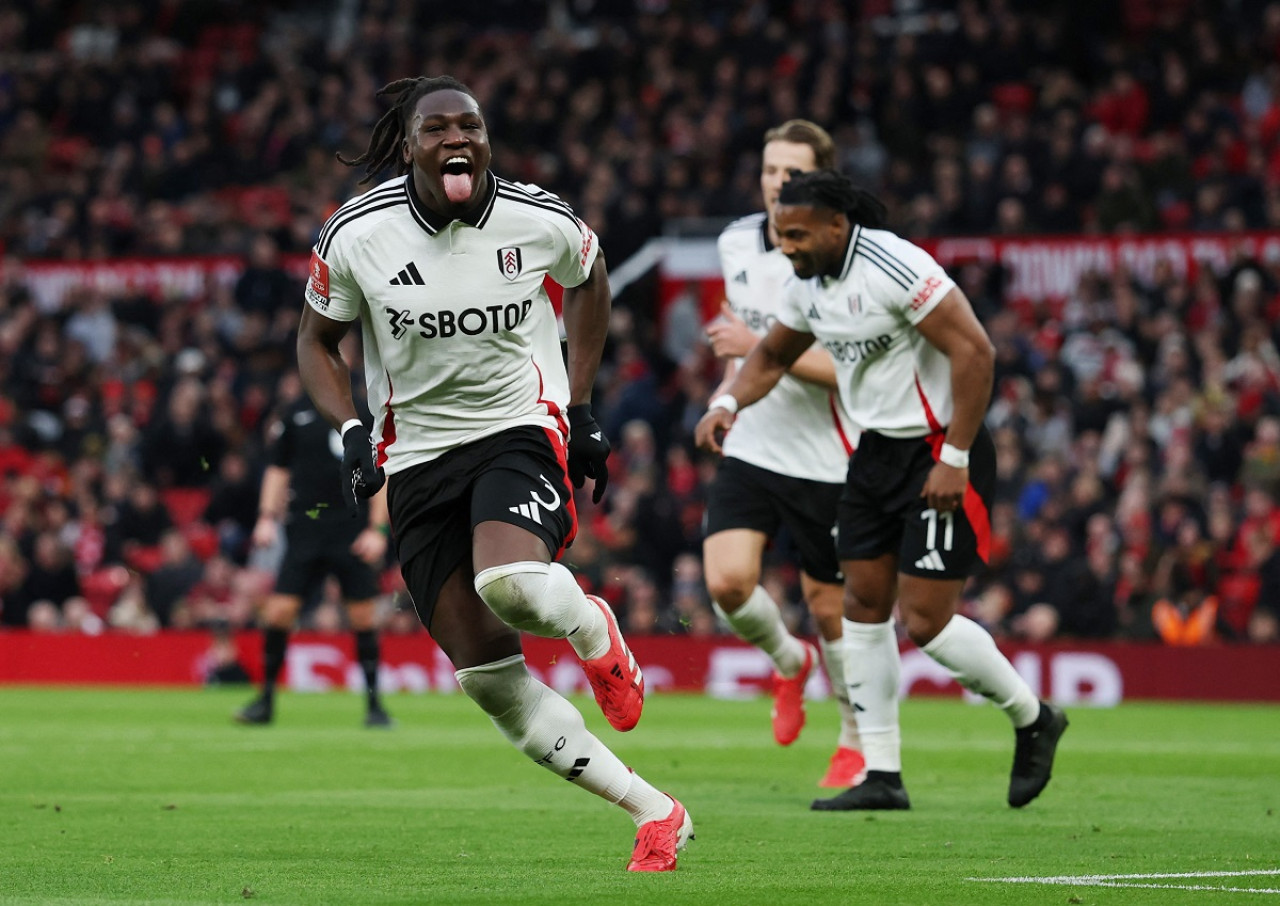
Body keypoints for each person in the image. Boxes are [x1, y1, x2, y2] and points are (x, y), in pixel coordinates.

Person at [294, 75, 691, 872]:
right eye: (437, 129)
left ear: (486, 139)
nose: (458, 140)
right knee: (490, 685)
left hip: (518, 427)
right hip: (413, 457)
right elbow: (315, 340)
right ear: (409, 147)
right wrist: (349, 432)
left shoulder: (538, 217)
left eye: (470, 126)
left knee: (508, 582)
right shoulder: (357, 234)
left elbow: (591, 280)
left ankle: (594, 630)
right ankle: (658, 813)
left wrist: (578, 408)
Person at [696, 169, 1068, 811]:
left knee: (925, 621)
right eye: (781, 235)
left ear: (838, 226)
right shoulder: (808, 284)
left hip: (940, 449)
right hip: (874, 454)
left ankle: (1033, 717)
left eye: (798, 234)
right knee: (861, 607)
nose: (787, 246)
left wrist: (953, 457)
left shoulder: (896, 268)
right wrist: (728, 400)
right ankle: (882, 774)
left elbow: (975, 352)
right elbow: (774, 356)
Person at [703, 120, 865, 788]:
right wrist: (728, 393)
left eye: (793, 173)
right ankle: (787, 661)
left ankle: (855, 739)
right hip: (752, 442)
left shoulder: (840, 257)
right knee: (726, 585)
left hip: (825, 456)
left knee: (831, 608)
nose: (779, 183)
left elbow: (848, 372)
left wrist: (760, 348)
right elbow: (736, 331)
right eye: (771, 170)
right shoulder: (735, 241)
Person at [235, 384, 394, 727]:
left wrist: (378, 530)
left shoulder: (363, 413)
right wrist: (266, 518)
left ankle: (375, 707)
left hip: (351, 530)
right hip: (305, 530)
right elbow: (278, 469)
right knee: (279, 613)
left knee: (363, 618)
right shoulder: (294, 413)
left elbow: (380, 470)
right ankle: (265, 701)